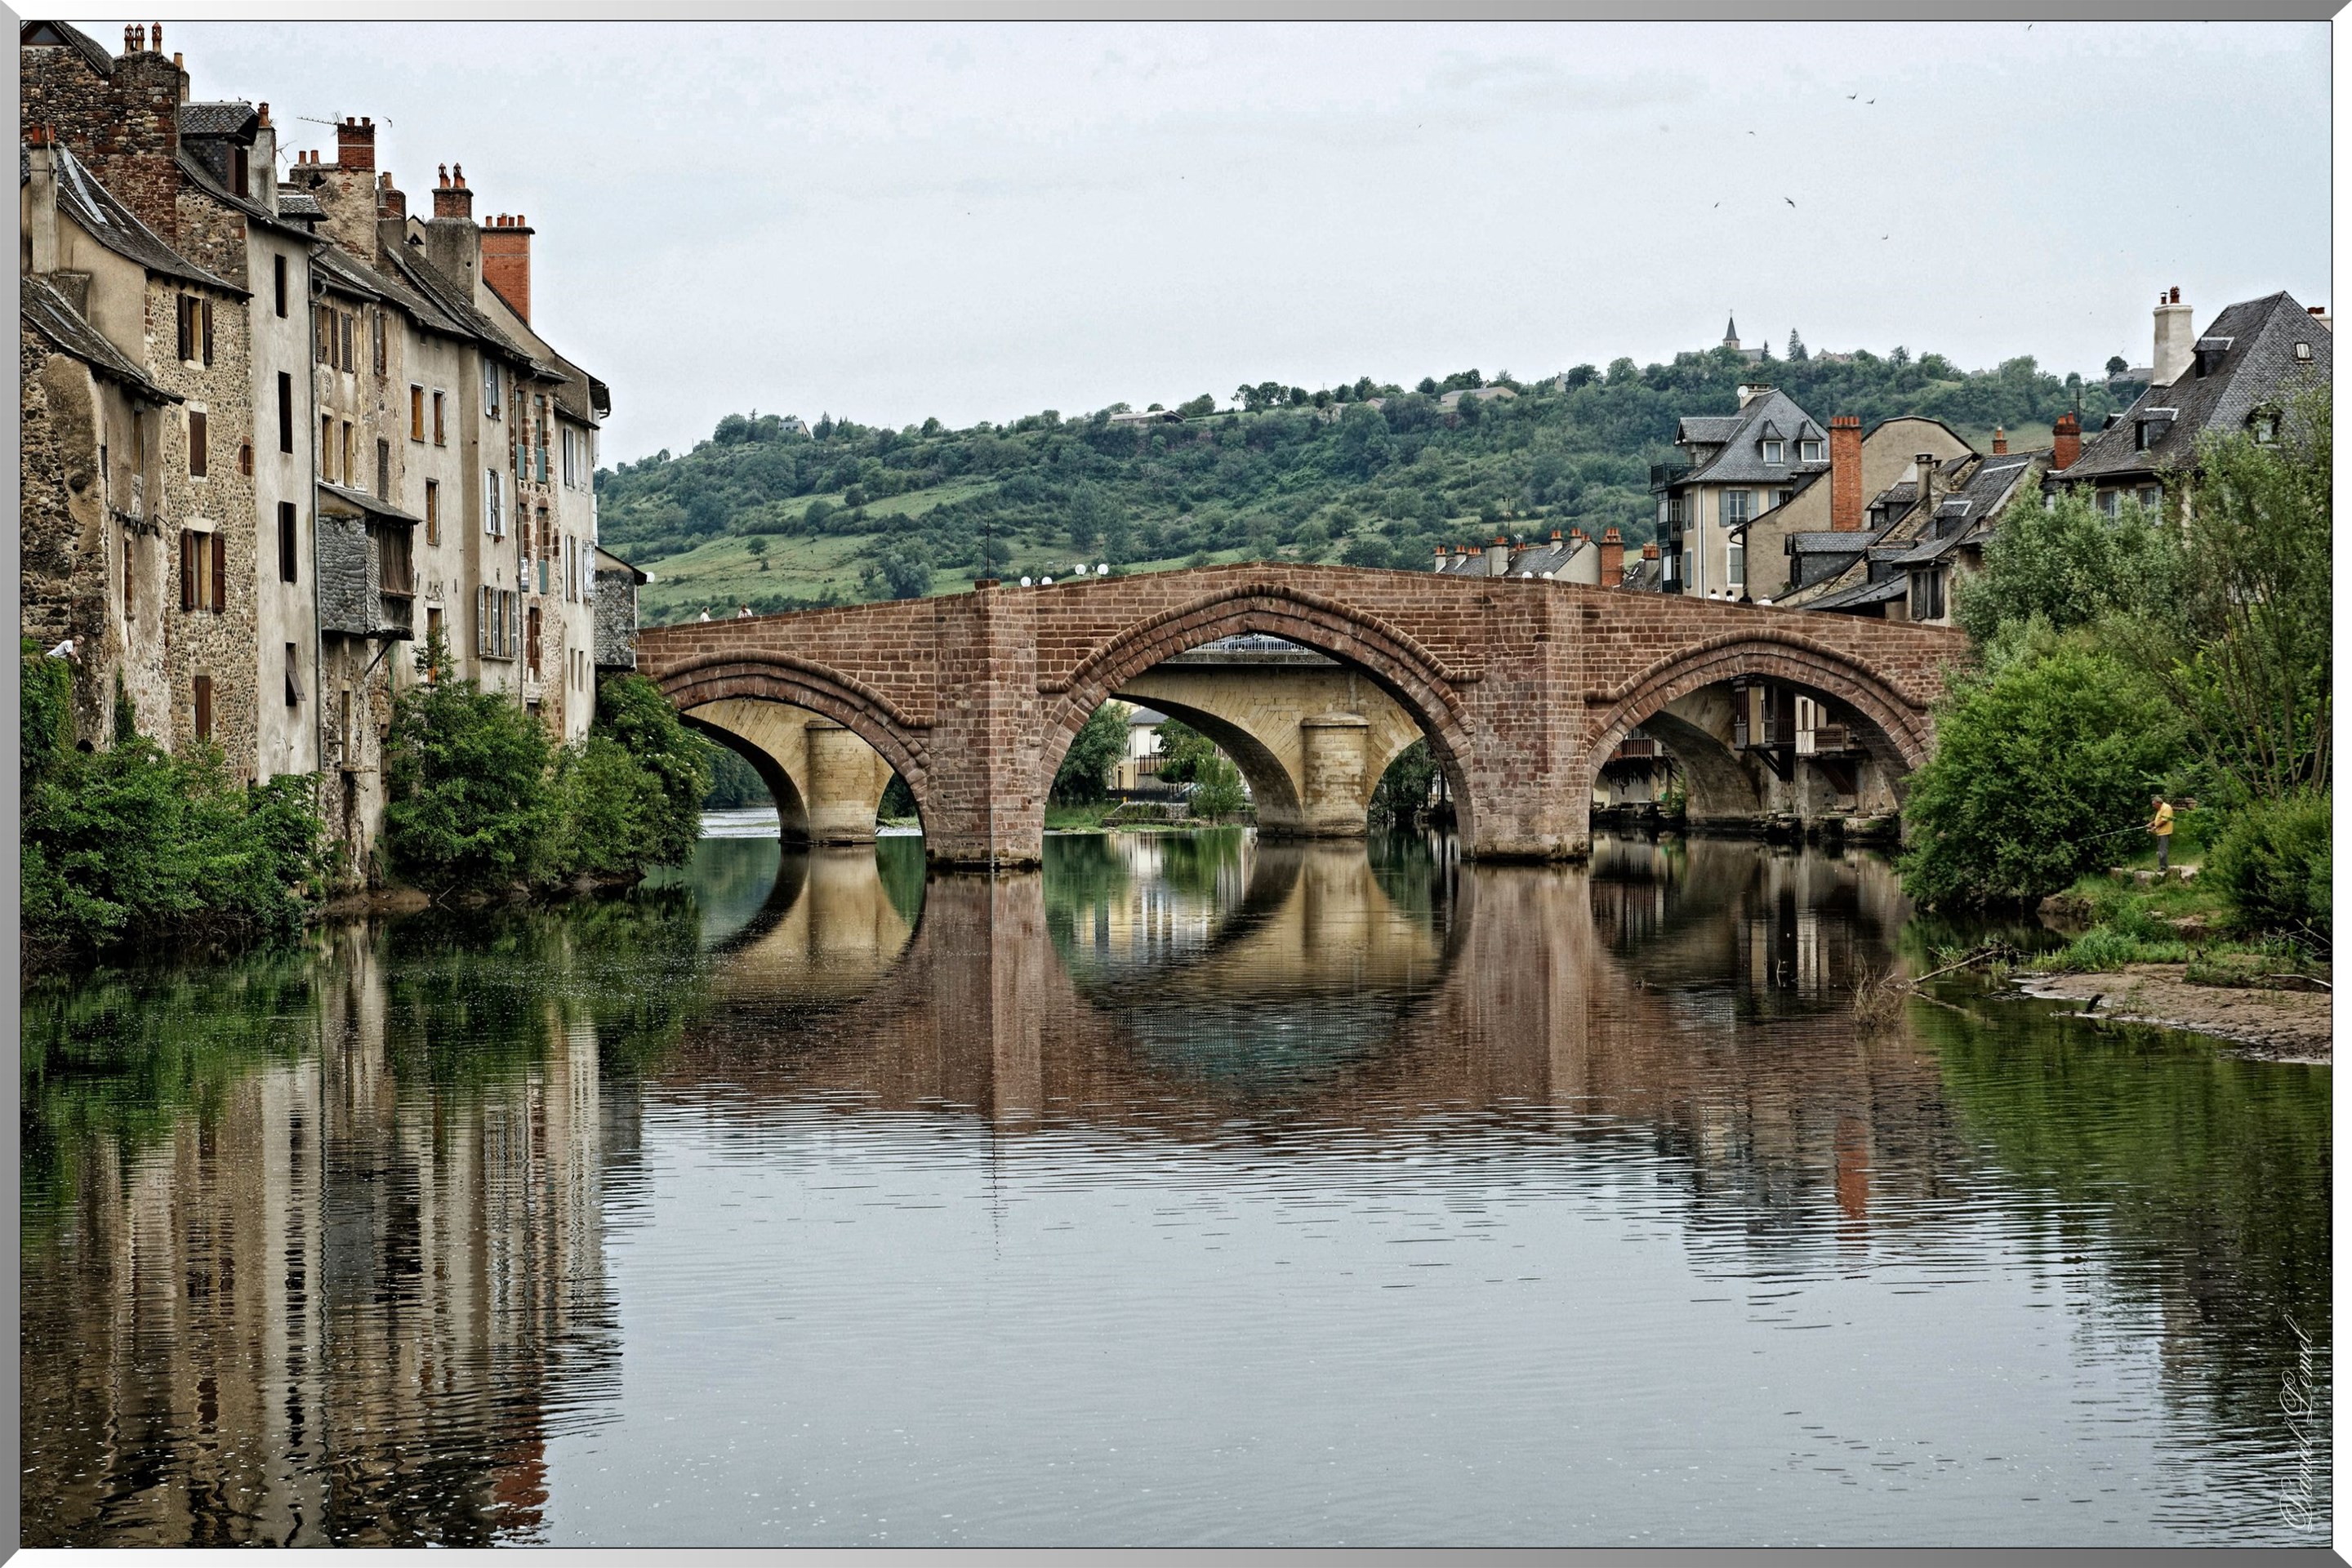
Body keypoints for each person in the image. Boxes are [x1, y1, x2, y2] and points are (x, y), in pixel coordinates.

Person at [2149, 793, 2174, 872]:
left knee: (2163, 850)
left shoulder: (2166, 808)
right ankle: (2162, 866)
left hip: (2165, 832)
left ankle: (2163, 867)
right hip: (2160, 832)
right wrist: (2152, 823)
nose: (2153, 806)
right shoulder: (2160, 809)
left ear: (2158, 803)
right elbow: (2158, 819)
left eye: (2154, 804)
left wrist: (2155, 827)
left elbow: (2164, 820)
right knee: (2160, 850)